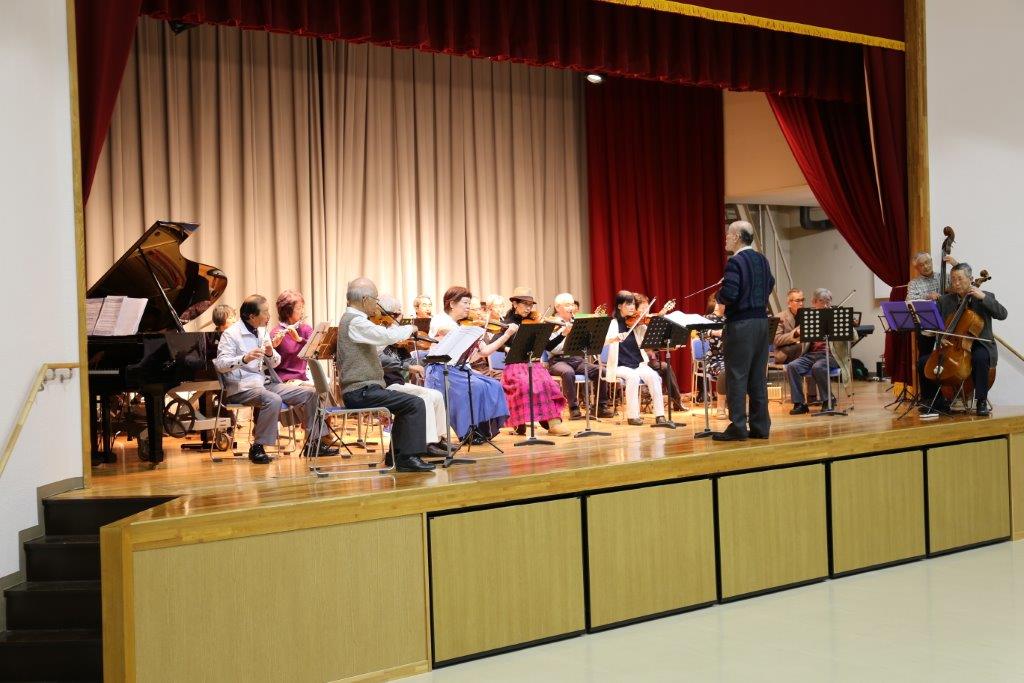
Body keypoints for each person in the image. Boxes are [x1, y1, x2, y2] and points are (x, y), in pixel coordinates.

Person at [214, 295, 337, 464]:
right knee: (273, 399)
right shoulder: (231, 334)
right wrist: (244, 358)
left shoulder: (262, 331)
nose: (269, 316)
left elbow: (276, 362)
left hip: (265, 383)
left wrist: (271, 352)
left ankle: (313, 443)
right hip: (242, 387)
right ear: (252, 316)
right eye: (265, 312)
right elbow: (220, 364)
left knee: (312, 393)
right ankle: (257, 447)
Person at [336, 278, 436, 472]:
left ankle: (396, 456)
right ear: (365, 300)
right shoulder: (355, 321)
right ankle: (407, 457)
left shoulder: (354, 320)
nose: (377, 304)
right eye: (375, 300)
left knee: (408, 404)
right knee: (415, 403)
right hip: (360, 391)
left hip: (364, 389)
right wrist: (411, 328)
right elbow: (385, 336)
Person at [918, 263, 1007, 417]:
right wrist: (941, 338)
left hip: (980, 344)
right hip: (953, 344)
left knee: (980, 358)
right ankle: (934, 401)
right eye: (953, 280)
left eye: (960, 279)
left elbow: (1002, 314)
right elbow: (938, 326)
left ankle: (981, 401)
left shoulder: (985, 296)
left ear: (970, 279)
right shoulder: (945, 300)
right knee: (923, 362)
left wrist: (983, 297)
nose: (956, 283)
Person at [713, 221, 775, 441]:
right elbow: (770, 283)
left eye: (728, 234)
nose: (726, 238)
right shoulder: (762, 259)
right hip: (762, 323)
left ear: (737, 237)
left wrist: (718, 296)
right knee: (758, 377)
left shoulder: (735, 262)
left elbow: (729, 294)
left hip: (741, 325)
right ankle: (760, 427)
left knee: (737, 376)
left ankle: (738, 426)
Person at [427, 286, 513, 442]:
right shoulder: (441, 319)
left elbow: (485, 351)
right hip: (440, 369)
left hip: (459, 369)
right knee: (475, 386)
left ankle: (481, 430)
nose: (469, 307)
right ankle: (467, 432)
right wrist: (471, 329)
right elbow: (444, 330)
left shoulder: (463, 326)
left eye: (469, 303)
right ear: (452, 304)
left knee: (493, 385)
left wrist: (506, 334)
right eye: (465, 303)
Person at [376, 294, 458, 455]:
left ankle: (439, 439)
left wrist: (430, 355)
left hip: (398, 382)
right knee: (424, 397)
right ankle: (426, 443)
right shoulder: (380, 336)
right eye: (396, 314)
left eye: (400, 313)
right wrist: (408, 365)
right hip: (386, 384)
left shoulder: (397, 339)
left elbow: (410, 361)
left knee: (436, 395)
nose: (399, 317)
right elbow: (383, 362)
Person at [499, 288, 570, 436]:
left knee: (547, 383)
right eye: (525, 304)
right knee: (525, 384)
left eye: (530, 305)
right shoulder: (507, 323)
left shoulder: (534, 321)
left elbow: (548, 346)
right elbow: (495, 343)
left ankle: (553, 423)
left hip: (533, 364)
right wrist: (506, 347)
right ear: (514, 304)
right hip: (514, 365)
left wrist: (563, 334)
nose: (528, 308)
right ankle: (519, 420)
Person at [605, 291, 669, 426]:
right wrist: (614, 338)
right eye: (628, 304)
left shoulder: (637, 323)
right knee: (632, 377)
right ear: (619, 306)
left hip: (638, 364)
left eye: (633, 304)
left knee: (654, 376)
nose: (632, 307)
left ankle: (660, 415)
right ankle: (632, 416)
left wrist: (651, 322)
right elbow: (603, 342)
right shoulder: (613, 323)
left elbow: (648, 336)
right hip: (620, 366)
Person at [545, 292, 613, 419]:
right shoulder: (552, 324)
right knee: (568, 372)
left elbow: (589, 343)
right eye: (567, 305)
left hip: (576, 359)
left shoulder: (578, 322)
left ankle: (600, 406)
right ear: (557, 308)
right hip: (558, 361)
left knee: (601, 371)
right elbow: (553, 349)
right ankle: (574, 408)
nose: (571, 308)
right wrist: (566, 336)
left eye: (572, 304)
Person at [785, 288, 840, 415]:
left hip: (830, 356)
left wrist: (849, 326)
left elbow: (852, 336)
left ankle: (828, 400)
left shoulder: (835, 315)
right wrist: (797, 333)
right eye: (822, 301)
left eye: (828, 301)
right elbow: (797, 334)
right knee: (792, 366)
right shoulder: (809, 317)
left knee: (818, 367)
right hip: (810, 355)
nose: (826, 305)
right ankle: (800, 403)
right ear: (814, 302)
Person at [634, 292, 687, 412]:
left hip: (648, 360)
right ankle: (648, 395)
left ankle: (676, 401)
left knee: (666, 367)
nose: (646, 312)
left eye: (647, 308)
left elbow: (652, 345)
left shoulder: (646, 325)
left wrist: (669, 347)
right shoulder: (631, 324)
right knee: (663, 366)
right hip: (636, 361)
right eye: (643, 308)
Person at [269, 290, 314, 383]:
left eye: (302, 307)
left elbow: (315, 352)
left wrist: (299, 339)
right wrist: (272, 346)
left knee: (329, 386)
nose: (302, 311)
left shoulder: (307, 329)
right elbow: (269, 363)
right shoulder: (275, 332)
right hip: (285, 380)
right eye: (299, 308)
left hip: (304, 377)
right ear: (287, 312)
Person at [773, 289, 804, 364]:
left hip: (802, 353)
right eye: (797, 301)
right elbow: (777, 340)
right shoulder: (779, 317)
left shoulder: (807, 316)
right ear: (789, 303)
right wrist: (795, 334)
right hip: (785, 354)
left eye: (802, 300)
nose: (801, 304)